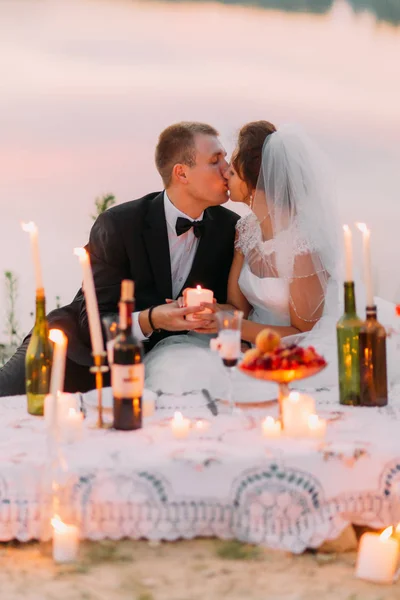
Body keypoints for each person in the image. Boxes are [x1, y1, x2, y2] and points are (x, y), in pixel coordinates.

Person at [0, 122, 239, 396]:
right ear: (181, 173)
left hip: (166, 371)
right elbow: (94, 323)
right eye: (215, 160)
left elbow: (231, 307)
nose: (227, 169)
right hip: (75, 354)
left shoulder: (229, 229)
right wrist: (152, 319)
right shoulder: (118, 225)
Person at [144, 121, 343, 397]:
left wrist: (236, 329)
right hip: (247, 342)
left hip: (296, 353)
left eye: (233, 170)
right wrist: (210, 312)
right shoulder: (246, 230)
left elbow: (305, 333)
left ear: (254, 185)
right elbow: (238, 307)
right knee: (178, 369)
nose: (225, 173)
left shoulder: (301, 246)